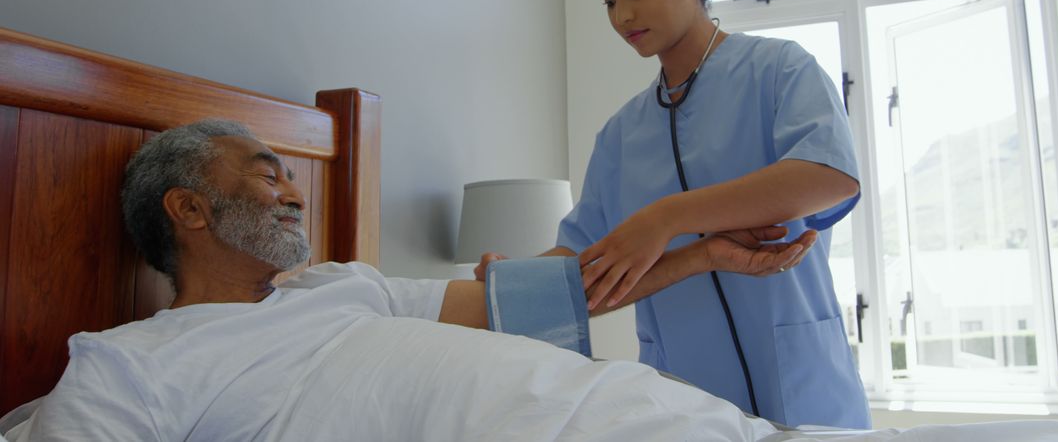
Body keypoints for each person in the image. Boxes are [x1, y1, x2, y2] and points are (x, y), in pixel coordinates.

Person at [8, 119, 814, 441]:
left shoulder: (340, 286)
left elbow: (551, 299)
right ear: (188, 208)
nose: (294, 193)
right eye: (266, 177)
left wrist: (704, 254)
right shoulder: (132, 364)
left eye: (293, 176)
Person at [477, 0, 869, 429]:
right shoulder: (620, 136)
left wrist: (667, 218)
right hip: (680, 407)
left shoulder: (781, 71)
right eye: (608, 1)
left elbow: (829, 176)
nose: (621, 17)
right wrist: (511, 278)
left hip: (806, 393)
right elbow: (588, 264)